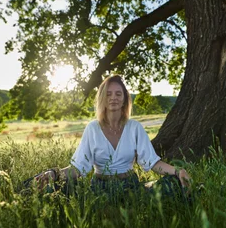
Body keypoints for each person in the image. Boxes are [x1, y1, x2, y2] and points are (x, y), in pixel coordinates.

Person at [33, 75, 191, 198]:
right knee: (54, 186)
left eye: (118, 94)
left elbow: (153, 162)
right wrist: (53, 174)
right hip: (100, 189)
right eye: (108, 94)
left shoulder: (134, 127)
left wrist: (178, 171)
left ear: (124, 99)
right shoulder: (92, 128)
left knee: (173, 183)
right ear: (102, 98)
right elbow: (78, 168)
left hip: (130, 186)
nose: (113, 97)